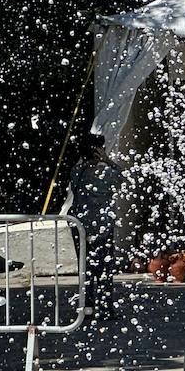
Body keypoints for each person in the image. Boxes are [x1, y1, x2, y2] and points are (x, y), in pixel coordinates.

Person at [66, 136, 123, 317]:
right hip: (101, 226)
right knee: (104, 269)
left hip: (80, 225)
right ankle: (105, 308)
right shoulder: (105, 172)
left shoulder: (77, 170)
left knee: (86, 267)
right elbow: (123, 180)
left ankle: (87, 306)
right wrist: (108, 161)